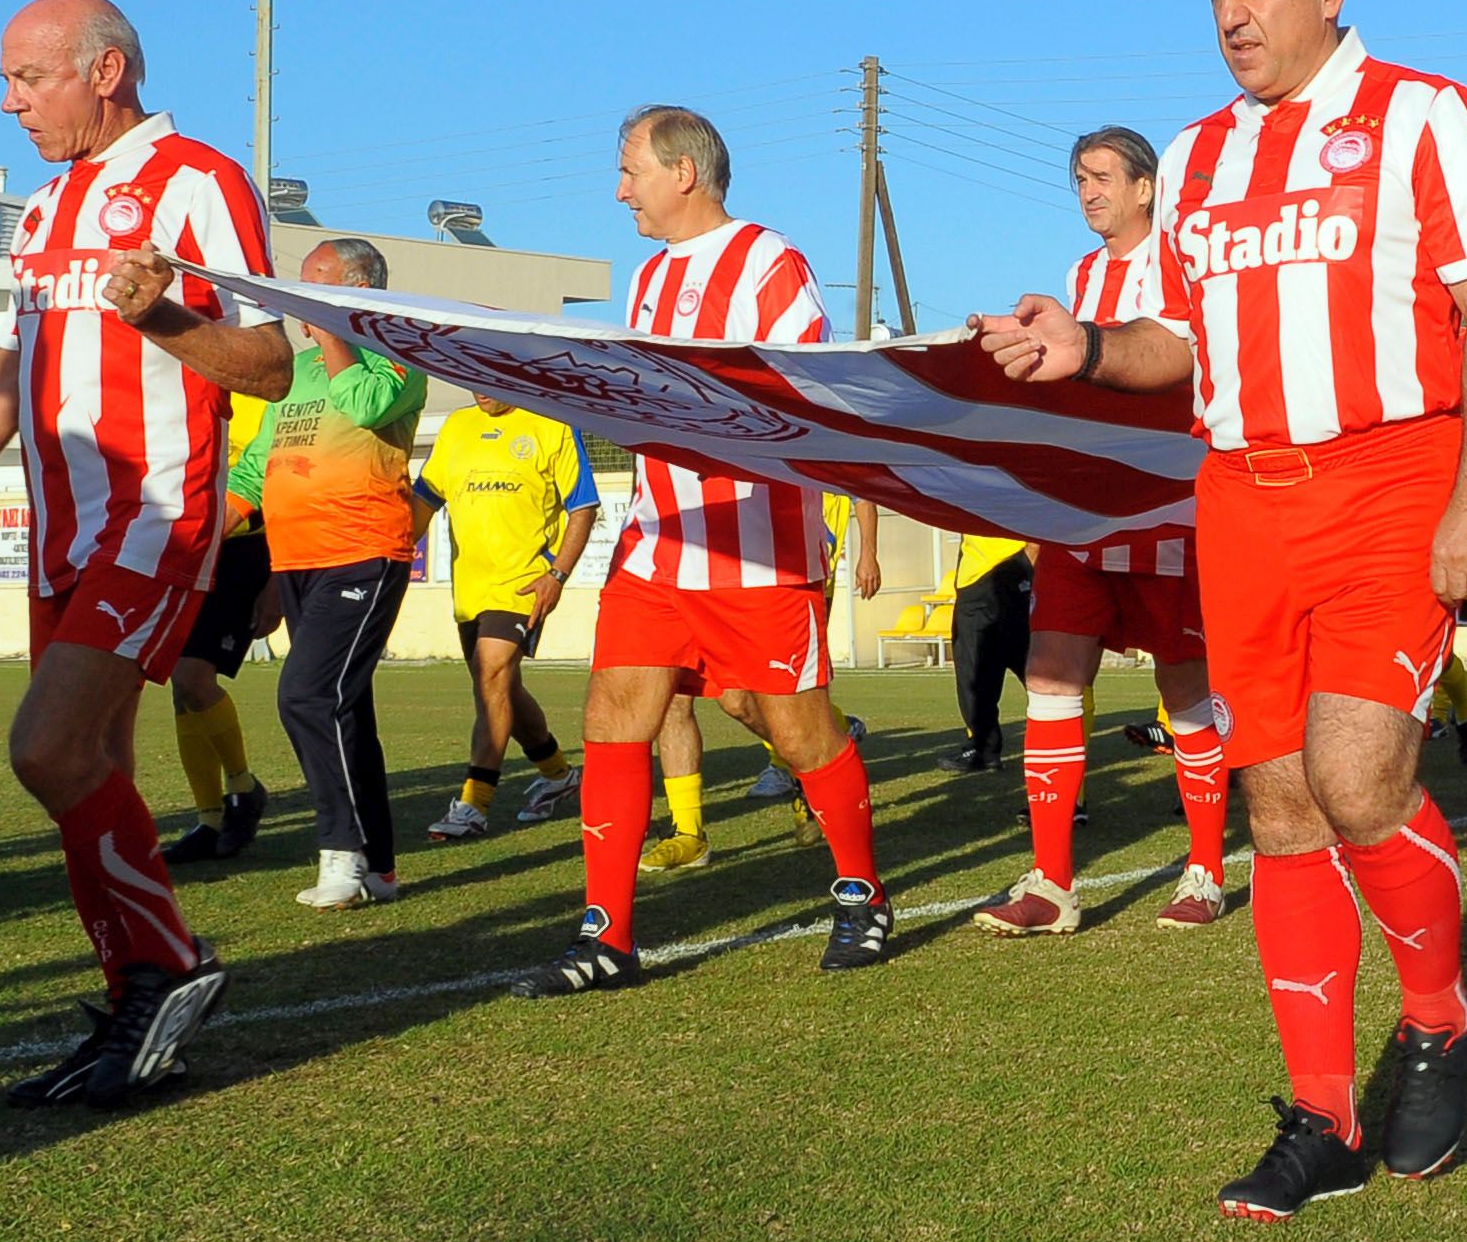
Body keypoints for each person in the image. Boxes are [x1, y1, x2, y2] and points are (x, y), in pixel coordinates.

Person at [975, 0, 1467, 1222]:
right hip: (1240, 499)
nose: (1232, 16)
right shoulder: (1201, 154)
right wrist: (1088, 352)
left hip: (1390, 477)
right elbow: (1175, 339)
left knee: (1356, 778)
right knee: (1274, 807)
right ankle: (1323, 1119)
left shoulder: (1424, 116)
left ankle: (1439, 1020)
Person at [0, 0, 291, 1105]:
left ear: (106, 70)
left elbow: (270, 362)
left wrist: (166, 322)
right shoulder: (41, 209)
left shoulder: (198, 179)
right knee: (94, 769)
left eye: (27, 77)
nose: (7, 100)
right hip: (62, 534)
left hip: (152, 514)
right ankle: (135, 992)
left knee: (45, 748)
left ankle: (171, 963)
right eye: (7, 78)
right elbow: (4, 384)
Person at [511, 105, 893, 997]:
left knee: (794, 729)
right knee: (612, 717)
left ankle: (863, 892)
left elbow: (801, 394)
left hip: (755, 549)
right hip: (655, 544)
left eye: (629, 169)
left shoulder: (771, 261)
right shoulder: (648, 279)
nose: (619, 189)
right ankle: (606, 933)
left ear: (684, 172)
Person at [972, 127, 1233, 938]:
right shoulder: (1080, 277)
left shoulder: (1187, 257)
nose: (1088, 192)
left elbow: (1192, 368)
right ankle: (1052, 884)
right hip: (1083, 519)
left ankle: (1207, 871)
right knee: (1051, 675)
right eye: (1079, 179)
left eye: (1103, 178)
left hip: (1168, 512)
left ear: (1147, 188)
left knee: (1185, 689)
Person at [232, 238, 426, 908]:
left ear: (358, 292)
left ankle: (340, 855)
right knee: (345, 711)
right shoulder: (297, 373)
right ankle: (380, 868)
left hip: (364, 552)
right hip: (296, 560)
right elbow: (258, 466)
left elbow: (370, 407)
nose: (299, 299)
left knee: (306, 697)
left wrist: (339, 332)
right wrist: (199, 533)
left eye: (315, 287)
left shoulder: (398, 354)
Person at [413, 392, 594, 841]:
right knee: (501, 686)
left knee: (491, 674)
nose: (481, 390)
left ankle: (474, 805)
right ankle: (558, 775)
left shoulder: (552, 421)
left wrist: (557, 574)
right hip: (469, 590)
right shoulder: (456, 426)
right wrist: (390, 553)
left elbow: (583, 506)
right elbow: (425, 498)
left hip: (524, 584)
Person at [161, 388, 275, 865]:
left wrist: (276, 581)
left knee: (192, 676)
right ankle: (209, 820)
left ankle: (245, 788)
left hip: (244, 550)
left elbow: (283, 487)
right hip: (185, 546)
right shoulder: (182, 396)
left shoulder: (269, 400)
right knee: (180, 688)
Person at [942, 534, 1035, 773]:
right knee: (973, 671)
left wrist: (1030, 556)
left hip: (1013, 564)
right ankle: (984, 748)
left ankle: (1060, 736)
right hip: (973, 577)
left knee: (1035, 666)